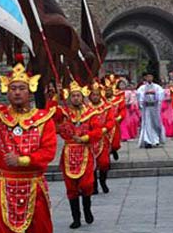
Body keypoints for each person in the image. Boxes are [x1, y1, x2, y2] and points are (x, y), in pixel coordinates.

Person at [0, 46, 57, 233]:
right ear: (7, 90)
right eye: (13, 88)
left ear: (29, 91)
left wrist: (22, 160)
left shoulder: (43, 119)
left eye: (21, 88)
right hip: (6, 187)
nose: (17, 92)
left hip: (34, 187)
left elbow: (48, 152)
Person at [54, 81, 102, 229]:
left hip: (85, 151)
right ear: (69, 97)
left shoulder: (90, 114)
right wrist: (57, 94)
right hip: (69, 152)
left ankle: (87, 209)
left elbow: (98, 131)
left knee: (87, 184)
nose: (75, 98)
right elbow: (52, 116)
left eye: (78, 96)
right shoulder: (64, 113)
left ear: (82, 97)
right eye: (73, 96)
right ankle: (76, 218)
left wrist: (85, 138)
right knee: (71, 188)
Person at [88, 80, 115, 194]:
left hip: (102, 138)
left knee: (104, 163)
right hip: (90, 140)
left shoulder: (106, 107)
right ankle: (94, 185)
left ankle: (103, 181)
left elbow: (110, 121)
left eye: (97, 95)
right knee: (91, 164)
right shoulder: (86, 109)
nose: (95, 97)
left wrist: (104, 129)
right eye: (93, 95)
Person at [137, 72, 165, 148]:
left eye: (151, 77)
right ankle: (147, 140)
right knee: (147, 124)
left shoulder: (157, 87)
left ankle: (156, 140)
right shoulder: (142, 87)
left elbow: (161, 93)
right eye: (148, 77)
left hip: (155, 107)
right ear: (145, 78)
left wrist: (155, 95)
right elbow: (139, 94)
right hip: (146, 108)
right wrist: (144, 97)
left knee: (156, 124)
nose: (149, 78)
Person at [105, 75, 126, 161]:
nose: (108, 92)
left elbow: (123, 110)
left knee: (115, 142)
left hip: (114, 123)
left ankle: (114, 150)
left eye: (109, 90)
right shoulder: (102, 101)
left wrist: (119, 117)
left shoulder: (119, 99)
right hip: (105, 124)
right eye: (106, 90)